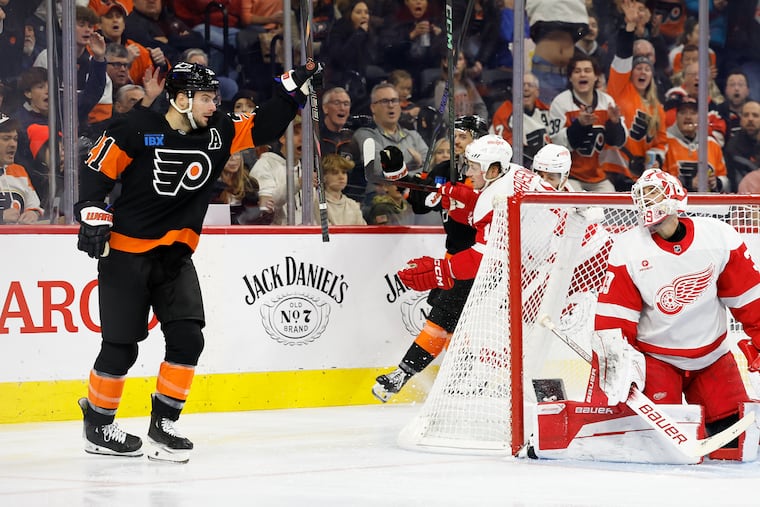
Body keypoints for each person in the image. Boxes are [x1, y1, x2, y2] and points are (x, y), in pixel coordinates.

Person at [74, 60, 321, 462]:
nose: (213, 105)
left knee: (189, 337)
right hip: (125, 254)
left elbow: (263, 127)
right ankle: (99, 425)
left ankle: (164, 422)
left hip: (175, 254)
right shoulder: (135, 128)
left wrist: (291, 92)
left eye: (214, 98)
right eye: (206, 98)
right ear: (180, 97)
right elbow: (96, 171)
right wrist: (89, 209)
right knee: (121, 348)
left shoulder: (218, 130)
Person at [588, 168, 760, 457]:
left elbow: (750, 300)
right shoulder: (627, 248)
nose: (646, 202)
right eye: (641, 196)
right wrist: (616, 369)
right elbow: (614, 322)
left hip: (713, 358)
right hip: (657, 360)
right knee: (659, 451)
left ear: (675, 196)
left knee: (736, 445)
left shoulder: (718, 236)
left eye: (652, 194)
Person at [375, 135, 554, 401]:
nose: (466, 171)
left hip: (525, 264)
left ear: (492, 167)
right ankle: (496, 385)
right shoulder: (506, 172)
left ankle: (489, 386)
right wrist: (407, 179)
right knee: (457, 322)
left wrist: (441, 270)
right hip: (502, 262)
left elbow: (484, 251)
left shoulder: (498, 195)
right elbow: (439, 200)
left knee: (476, 326)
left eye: (472, 166)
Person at [602, 0, 667, 192]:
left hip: (639, 177)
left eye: (647, 69)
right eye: (638, 68)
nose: (643, 72)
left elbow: (661, 141)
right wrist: (629, 27)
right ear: (631, 72)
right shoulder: (620, 87)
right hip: (612, 170)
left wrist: (654, 160)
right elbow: (622, 56)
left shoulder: (657, 107)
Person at [549, 54, 626, 192]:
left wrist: (615, 124)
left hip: (599, 176)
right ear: (570, 77)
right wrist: (579, 126)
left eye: (587, 70)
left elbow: (618, 143)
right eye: (577, 71)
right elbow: (556, 145)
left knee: (611, 206)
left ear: (596, 76)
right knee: (575, 207)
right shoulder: (560, 103)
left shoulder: (607, 102)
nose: (582, 74)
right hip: (569, 175)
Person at [525, 0, 589, 104]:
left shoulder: (576, 12)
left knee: (570, 117)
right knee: (544, 114)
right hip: (544, 71)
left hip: (570, 73)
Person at [661, 95, 728, 192]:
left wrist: (716, 182)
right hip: (674, 203)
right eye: (683, 112)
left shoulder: (712, 143)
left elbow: (726, 180)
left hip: (707, 204)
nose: (688, 117)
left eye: (693, 113)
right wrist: (688, 184)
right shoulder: (664, 142)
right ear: (676, 116)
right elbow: (657, 180)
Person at [97, 0, 168, 88]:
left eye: (118, 16)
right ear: (99, 24)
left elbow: (158, 82)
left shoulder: (138, 50)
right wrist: (127, 63)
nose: (115, 20)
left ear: (124, 23)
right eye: (109, 17)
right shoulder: (93, 49)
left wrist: (161, 65)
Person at [489, 72, 553, 167]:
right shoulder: (504, 112)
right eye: (522, 85)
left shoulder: (546, 111)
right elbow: (509, 150)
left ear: (537, 91)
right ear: (514, 90)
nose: (526, 88)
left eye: (530, 85)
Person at [250, 115, 304, 225]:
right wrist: (297, 183)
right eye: (296, 133)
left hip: (305, 235)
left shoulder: (305, 168)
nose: (302, 138)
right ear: (282, 138)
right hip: (276, 235)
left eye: (305, 133)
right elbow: (267, 204)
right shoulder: (265, 164)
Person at [318, 87, 362, 200]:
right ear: (325, 108)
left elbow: (358, 177)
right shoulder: (314, 138)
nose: (342, 108)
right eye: (337, 103)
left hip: (347, 201)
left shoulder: (354, 140)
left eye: (346, 104)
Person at [210, 151, 273, 225]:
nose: (233, 159)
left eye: (236, 154)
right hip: (215, 231)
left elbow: (259, 222)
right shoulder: (209, 185)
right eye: (228, 155)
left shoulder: (250, 183)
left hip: (243, 232)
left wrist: (267, 212)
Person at [0, 114, 42, 224]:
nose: (13, 144)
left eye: (15, 139)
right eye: (6, 138)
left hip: (17, 239)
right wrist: (1, 216)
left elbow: (34, 206)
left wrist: (33, 213)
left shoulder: (19, 171)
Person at [317, 153, 366, 225]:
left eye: (344, 172)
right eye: (335, 173)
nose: (341, 177)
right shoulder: (316, 201)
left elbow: (363, 232)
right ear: (324, 177)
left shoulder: (353, 205)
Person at [726, 100, 760, 193]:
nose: (750, 119)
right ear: (741, 119)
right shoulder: (732, 148)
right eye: (746, 115)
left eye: (755, 115)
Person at [716, 70, 752, 144]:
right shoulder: (717, 113)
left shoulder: (756, 112)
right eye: (732, 85)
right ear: (726, 90)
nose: (736, 89)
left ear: (748, 90)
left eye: (740, 85)